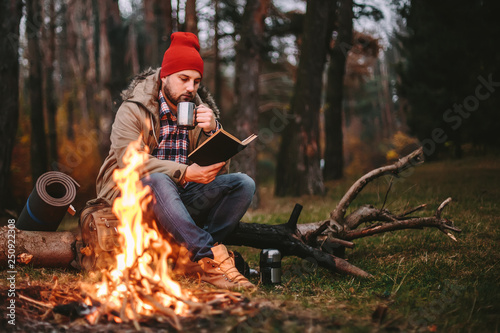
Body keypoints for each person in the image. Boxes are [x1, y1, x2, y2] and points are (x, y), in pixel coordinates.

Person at [95, 32, 256, 290]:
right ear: (164, 76)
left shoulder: (198, 113)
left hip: (180, 202)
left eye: (196, 81)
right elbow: (129, 161)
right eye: (184, 79)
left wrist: (213, 131)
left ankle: (189, 258)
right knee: (158, 180)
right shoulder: (134, 109)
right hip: (134, 198)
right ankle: (208, 257)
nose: (191, 88)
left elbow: (215, 171)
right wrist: (184, 173)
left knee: (243, 184)